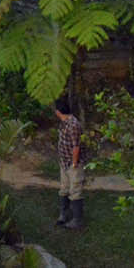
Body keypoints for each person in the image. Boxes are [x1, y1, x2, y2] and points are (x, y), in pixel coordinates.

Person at [53, 97, 86, 230]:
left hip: (73, 164)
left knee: (75, 190)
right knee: (64, 188)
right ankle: (64, 214)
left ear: (58, 112)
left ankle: (77, 221)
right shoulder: (63, 122)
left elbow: (76, 146)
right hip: (64, 162)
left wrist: (73, 163)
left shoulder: (73, 125)